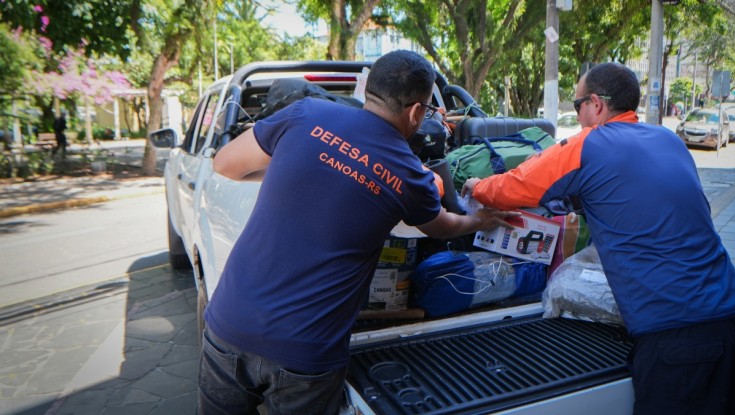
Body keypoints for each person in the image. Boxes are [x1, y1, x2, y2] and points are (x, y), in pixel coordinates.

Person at [198, 50, 515, 415]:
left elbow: (224, 165)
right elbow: (443, 226)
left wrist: (299, 166)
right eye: (428, 111)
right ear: (415, 112)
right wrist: (481, 220)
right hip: (307, 355)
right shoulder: (411, 176)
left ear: (368, 88)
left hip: (228, 326)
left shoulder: (307, 113)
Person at [463, 62, 735, 415]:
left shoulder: (589, 144)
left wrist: (474, 187)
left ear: (596, 104)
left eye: (577, 107)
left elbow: (514, 186)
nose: (577, 117)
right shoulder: (668, 139)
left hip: (678, 341)